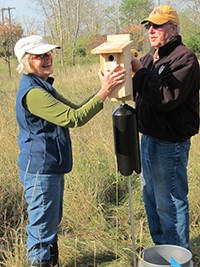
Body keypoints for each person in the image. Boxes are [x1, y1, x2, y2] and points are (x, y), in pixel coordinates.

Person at [14, 35, 126, 267]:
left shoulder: (42, 86)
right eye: (40, 56)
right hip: (40, 170)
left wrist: (103, 89)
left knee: (50, 224)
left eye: (48, 53)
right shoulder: (33, 93)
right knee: (41, 232)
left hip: (49, 167)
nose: (47, 58)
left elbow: (75, 108)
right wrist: (104, 91)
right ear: (26, 61)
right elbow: (74, 118)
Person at [131, 6, 199, 250]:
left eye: (158, 25)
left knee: (169, 201)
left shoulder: (184, 58)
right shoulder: (151, 57)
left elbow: (165, 97)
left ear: (173, 27)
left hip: (170, 144)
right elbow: (142, 93)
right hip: (148, 139)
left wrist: (139, 72)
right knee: (150, 200)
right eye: (149, 25)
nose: (151, 30)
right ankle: (162, 249)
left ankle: (178, 256)